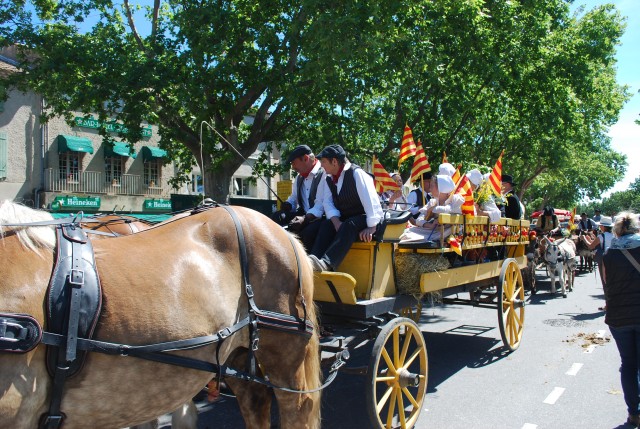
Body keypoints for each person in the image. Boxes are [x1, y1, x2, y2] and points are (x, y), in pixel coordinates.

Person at [307, 144, 383, 272]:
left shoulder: (356, 173)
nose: (322, 165)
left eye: (324, 162)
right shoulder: (329, 178)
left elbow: (371, 202)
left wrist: (372, 227)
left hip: (365, 217)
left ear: (334, 162)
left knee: (349, 224)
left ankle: (327, 263)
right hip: (347, 218)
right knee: (326, 225)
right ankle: (312, 262)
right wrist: (336, 222)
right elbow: (328, 202)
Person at [601, 212, 640, 428]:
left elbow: (607, 285)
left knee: (628, 365)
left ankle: (633, 413)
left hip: (619, 317)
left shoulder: (609, 254)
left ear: (617, 230)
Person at [270, 144, 325, 250]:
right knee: (277, 217)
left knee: (307, 232)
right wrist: (288, 205)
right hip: (304, 216)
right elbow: (293, 198)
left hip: (320, 218)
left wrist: (304, 219)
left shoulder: (324, 174)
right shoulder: (300, 178)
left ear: (305, 158)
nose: (293, 167)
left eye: (294, 163)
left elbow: (321, 205)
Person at [399, 174, 461, 244]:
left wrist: (432, 209)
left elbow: (447, 210)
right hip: (432, 230)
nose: (430, 189)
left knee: (409, 236)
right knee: (406, 232)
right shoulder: (433, 202)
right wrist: (430, 225)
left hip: (447, 232)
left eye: (432, 186)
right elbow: (419, 220)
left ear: (440, 188)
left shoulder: (455, 200)